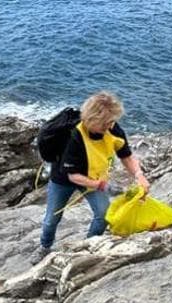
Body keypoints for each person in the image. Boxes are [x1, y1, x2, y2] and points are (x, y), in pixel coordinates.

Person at [32, 91, 150, 263]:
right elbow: (73, 176)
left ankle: (86, 247)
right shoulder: (74, 135)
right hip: (64, 178)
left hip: (94, 176)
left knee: (103, 215)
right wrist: (101, 185)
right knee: (52, 218)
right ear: (92, 119)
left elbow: (126, 155)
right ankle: (44, 246)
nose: (109, 126)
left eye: (112, 121)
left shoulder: (113, 128)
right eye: (105, 123)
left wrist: (139, 176)